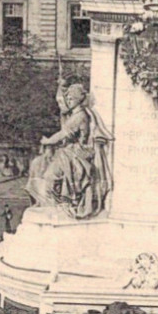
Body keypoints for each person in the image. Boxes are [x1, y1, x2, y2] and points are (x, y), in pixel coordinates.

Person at [25, 82, 112, 217]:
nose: (69, 101)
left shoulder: (79, 116)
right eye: (68, 98)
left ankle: (63, 207)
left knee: (50, 177)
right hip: (69, 152)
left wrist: (47, 141)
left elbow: (62, 134)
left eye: (71, 98)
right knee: (48, 174)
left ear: (78, 100)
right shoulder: (75, 114)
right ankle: (58, 205)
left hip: (76, 154)